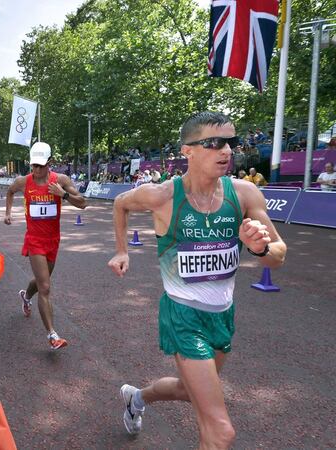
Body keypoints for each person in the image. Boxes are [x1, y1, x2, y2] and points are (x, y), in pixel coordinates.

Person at [107, 112, 287, 448]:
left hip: (222, 315)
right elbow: (120, 202)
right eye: (214, 143)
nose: (227, 151)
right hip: (182, 316)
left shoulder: (244, 194)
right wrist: (122, 251)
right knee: (220, 430)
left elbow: (278, 255)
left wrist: (261, 248)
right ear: (187, 151)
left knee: (188, 391)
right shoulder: (162, 195)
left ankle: (137, 398)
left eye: (231, 142)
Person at [4, 142, 86, 350]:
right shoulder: (24, 181)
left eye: (41, 165)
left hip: (53, 240)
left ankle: (26, 295)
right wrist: (8, 213)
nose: (36, 170)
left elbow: (83, 203)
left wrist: (63, 195)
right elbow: (10, 191)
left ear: (50, 162)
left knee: (42, 282)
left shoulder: (60, 181)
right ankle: (52, 335)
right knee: (46, 287)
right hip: (34, 240)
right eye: (33, 165)